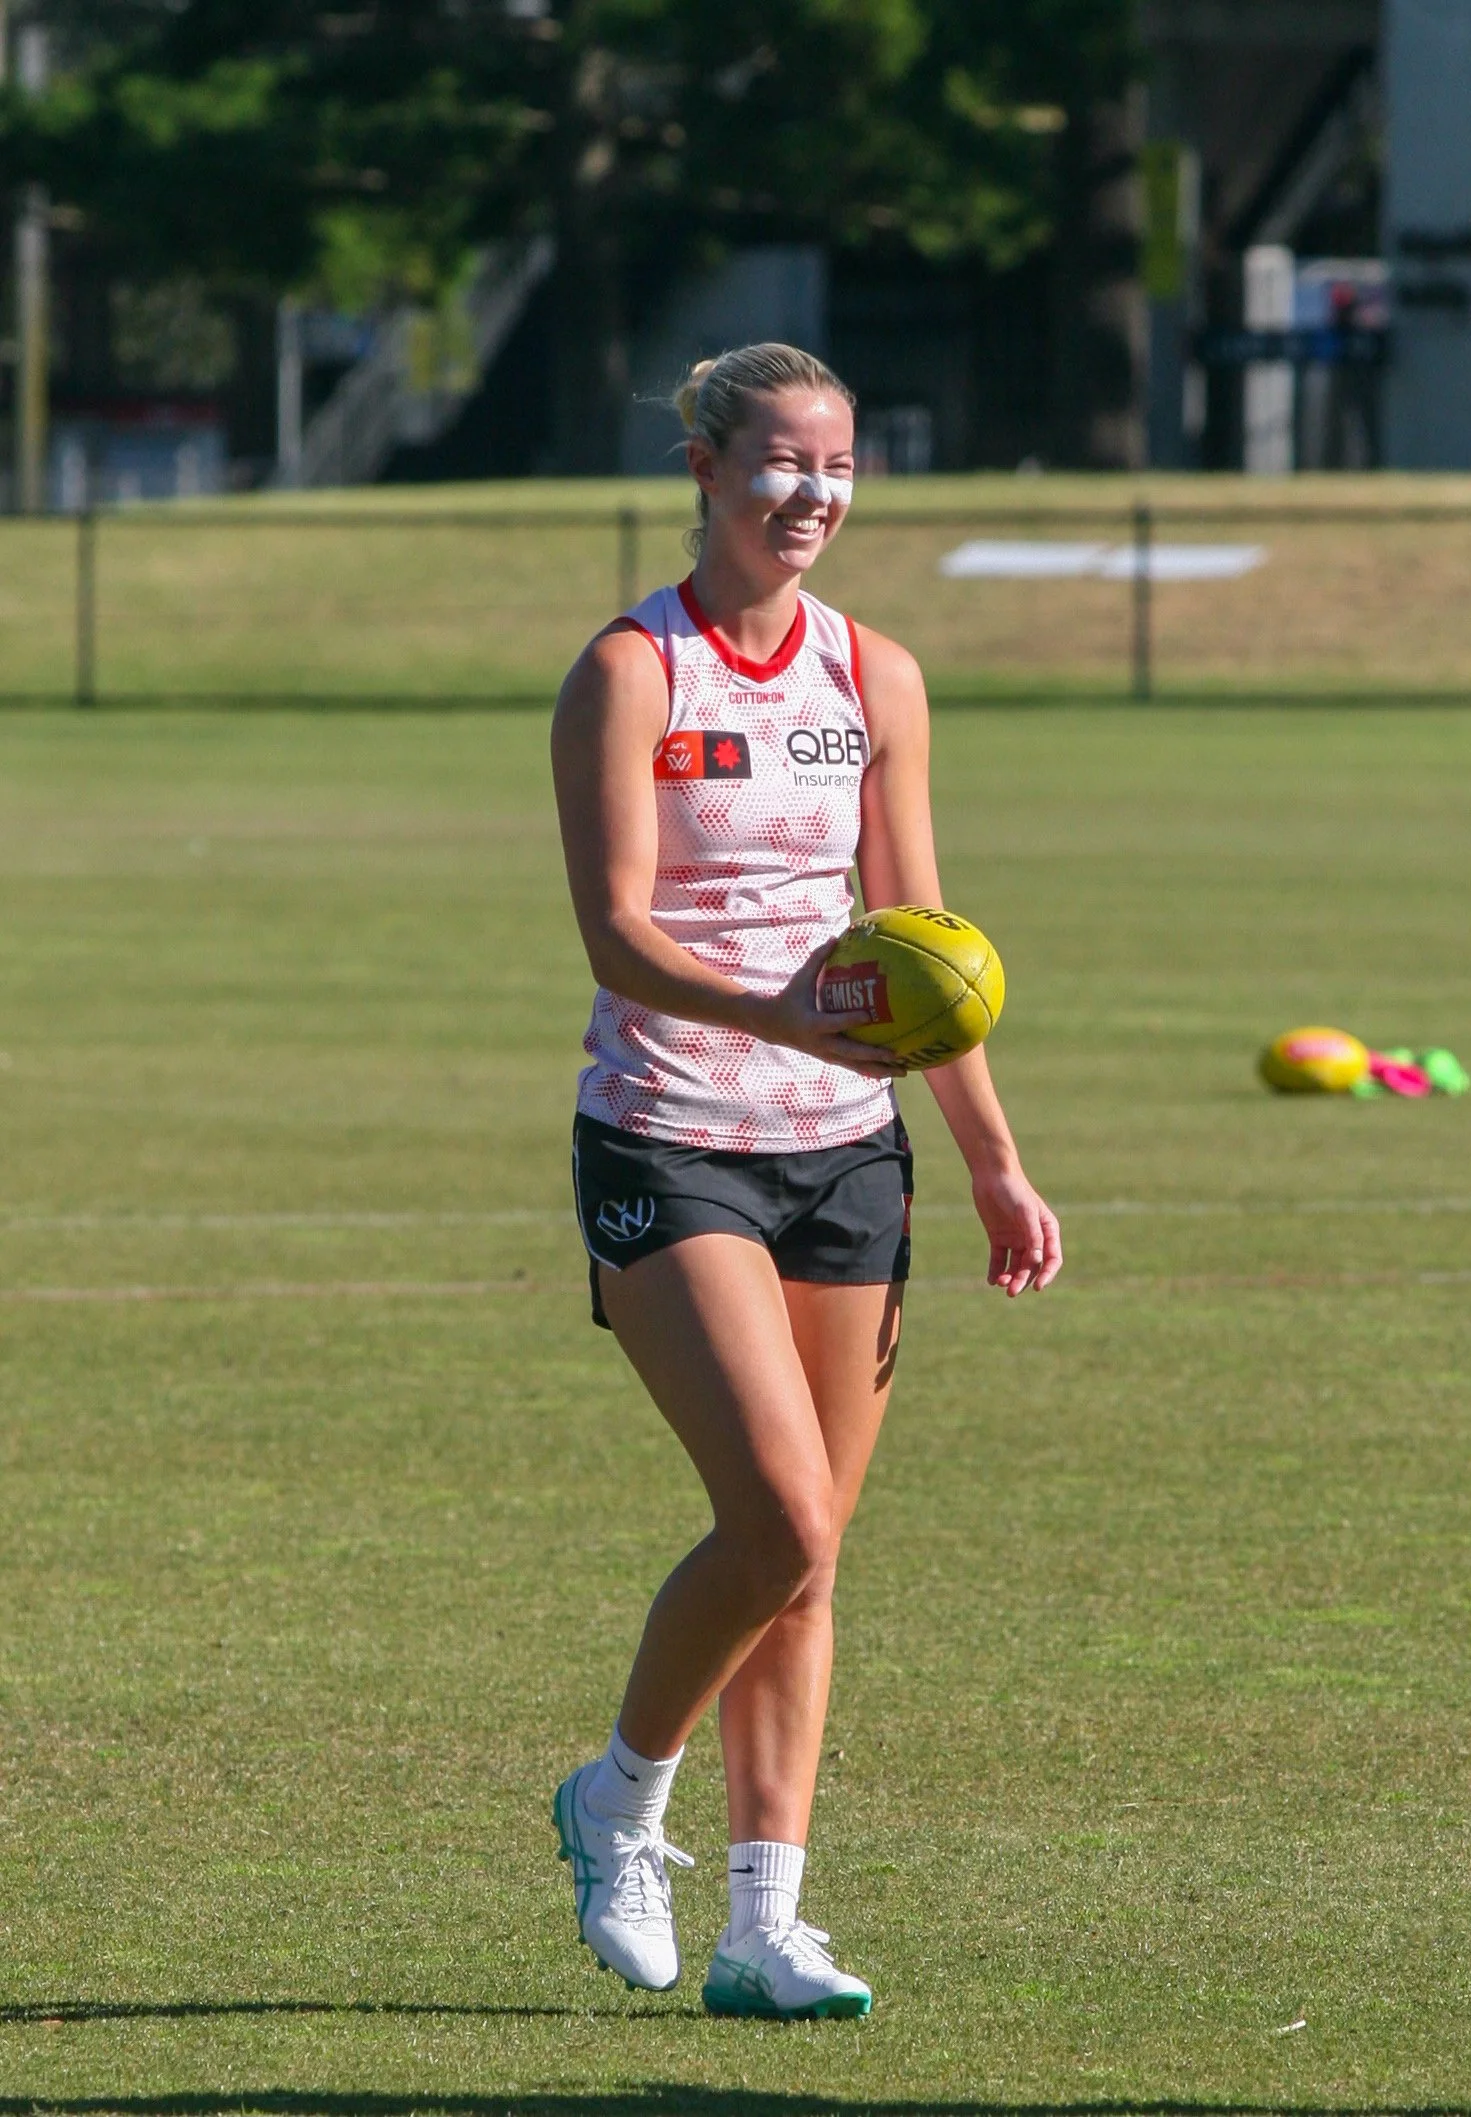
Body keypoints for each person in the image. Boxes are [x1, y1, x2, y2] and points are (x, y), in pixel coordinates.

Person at [550, 342, 1062, 2021]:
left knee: (819, 1554)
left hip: (846, 1150)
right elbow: (618, 927)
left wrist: (992, 1161)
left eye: (835, 468)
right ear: (704, 468)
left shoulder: (875, 675)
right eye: (778, 464)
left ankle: (768, 1925)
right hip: (672, 1130)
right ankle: (620, 1795)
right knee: (776, 1512)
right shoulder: (633, 671)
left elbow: (925, 943)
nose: (809, 497)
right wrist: (771, 1007)